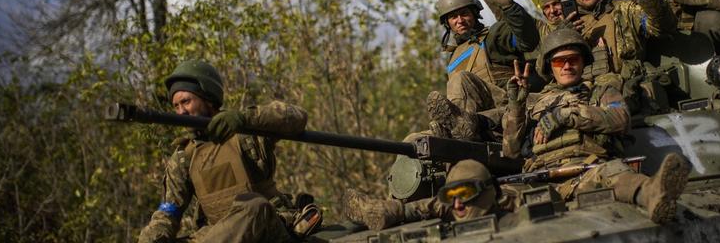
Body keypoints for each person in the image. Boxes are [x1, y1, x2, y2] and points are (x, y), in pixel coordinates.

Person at [503, 29, 690, 224]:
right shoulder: (534, 104)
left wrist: (566, 115)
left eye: (573, 59)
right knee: (498, 195)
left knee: (614, 172)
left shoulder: (601, 92)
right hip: (538, 183)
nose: (567, 66)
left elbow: (621, 119)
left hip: (589, 173)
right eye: (559, 61)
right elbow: (511, 151)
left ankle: (655, 196)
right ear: (550, 68)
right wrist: (516, 107)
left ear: (583, 62)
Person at [138, 60, 313, 243]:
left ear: (208, 99)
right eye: (176, 106)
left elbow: (297, 117)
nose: (181, 112)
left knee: (254, 206)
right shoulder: (184, 157)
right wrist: (154, 235)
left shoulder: (247, 134)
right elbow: (169, 210)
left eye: (186, 102)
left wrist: (245, 119)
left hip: (266, 229)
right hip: (217, 236)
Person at [429, 0, 540, 141]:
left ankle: (458, 126)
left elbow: (528, 40)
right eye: (453, 17)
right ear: (447, 23)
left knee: (461, 79)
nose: (460, 21)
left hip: (506, 108)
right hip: (474, 120)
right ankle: (453, 127)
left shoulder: (493, 36)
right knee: (414, 140)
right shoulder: (453, 58)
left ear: (474, 13)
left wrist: (510, 9)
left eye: (464, 14)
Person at [561, 0, 676, 82]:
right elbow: (547, 72)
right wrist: (562, 40)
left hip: (628, 87)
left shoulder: (625, 9)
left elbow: (663, 27)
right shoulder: (570, 25)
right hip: (586, 92)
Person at [342, 160, 517, 230]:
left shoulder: (515, 209)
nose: (457, 205)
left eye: (465, 194)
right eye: (450, 196)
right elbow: (435, 205)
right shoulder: (455, 208)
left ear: (486, 190)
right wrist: (392, 210)